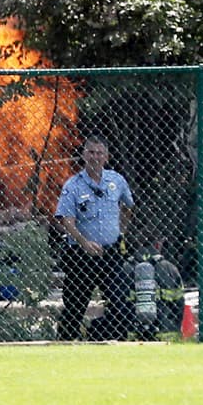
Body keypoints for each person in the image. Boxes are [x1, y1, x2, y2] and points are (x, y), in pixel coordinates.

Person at [54, 136, 134, 341]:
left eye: (99, 153)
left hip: (111, 254)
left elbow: (128, 207)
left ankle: (113, 343)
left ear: (106, 157)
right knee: (75, 306)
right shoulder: (73, 185)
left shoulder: (116, 181)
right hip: (81, 256)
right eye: (91, 152)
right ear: (84, 155)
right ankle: (66, 344)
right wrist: (84, 242)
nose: (95, 157)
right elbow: (65, 219)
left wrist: (120, 232)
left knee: (119, 302)